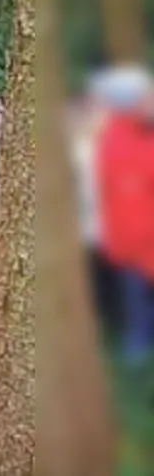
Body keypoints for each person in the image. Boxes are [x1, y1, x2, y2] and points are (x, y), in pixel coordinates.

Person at [93, 66, 154, 360]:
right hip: (135, 244)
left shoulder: (140, 134)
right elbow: (124, 198)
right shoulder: (118, 141)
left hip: (140, 239)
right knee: (137, 306)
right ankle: (137, 361)